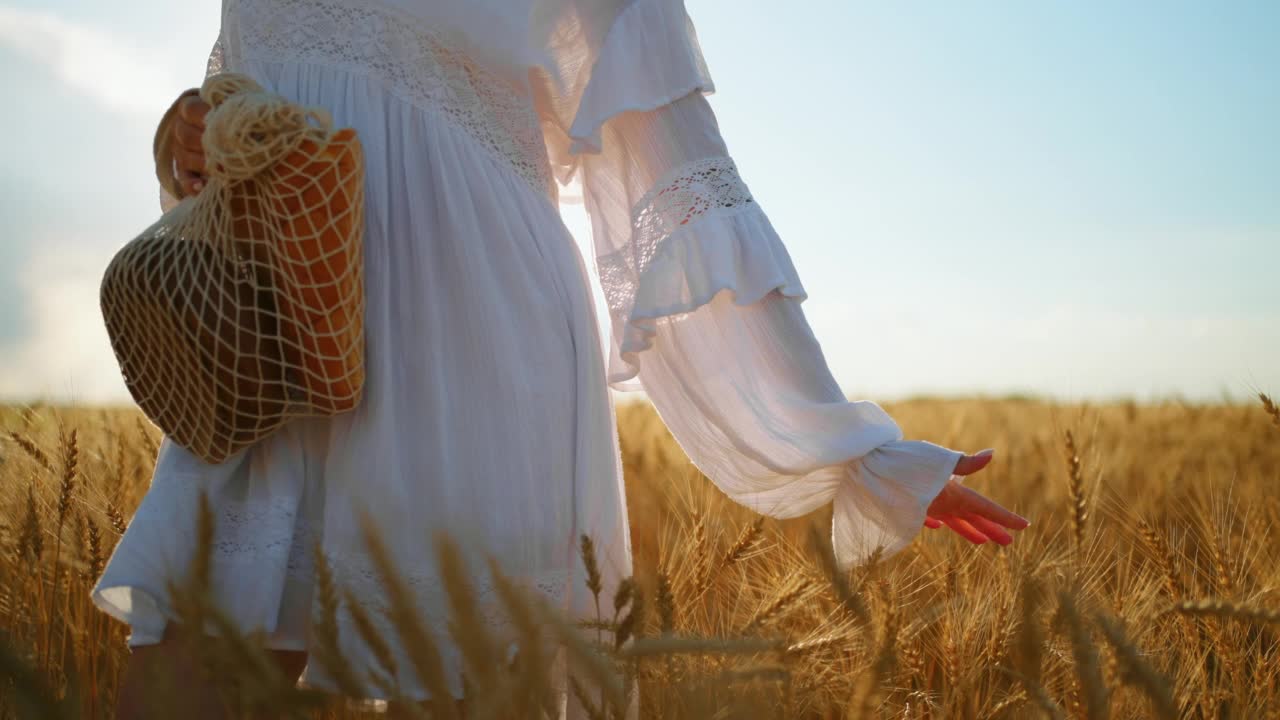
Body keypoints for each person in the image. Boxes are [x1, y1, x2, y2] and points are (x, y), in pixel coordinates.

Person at [93, 0, 1030, 716]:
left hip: (475, 327)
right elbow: (249, 85)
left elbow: (674, 177)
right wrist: (191, 132)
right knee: (185, 670)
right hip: (283, 319)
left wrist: (841, 447)